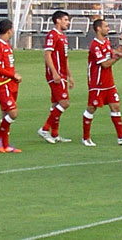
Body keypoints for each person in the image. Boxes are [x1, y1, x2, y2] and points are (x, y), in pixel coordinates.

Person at [81, 19, 122, 147]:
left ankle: (121, 137)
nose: (108, 28)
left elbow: (112, 53)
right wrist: (119, 56)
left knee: (115, 106)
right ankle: (86, 137)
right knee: (91, 108)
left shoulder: (106, 42)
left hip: (108, 82)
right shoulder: (95, 45)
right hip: (97, 83)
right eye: (106, 26)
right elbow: (105, 64)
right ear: (98, 29)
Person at [38, 10, 74, 144]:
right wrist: (54, 72)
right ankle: (44, 129)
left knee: (56, 104)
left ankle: (54, 134)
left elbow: (65, 58)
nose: (67, 22)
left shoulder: (63, 37)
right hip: (56, 74)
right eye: (65, 19)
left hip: (62, 74)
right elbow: (47, 54)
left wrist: (69, 75)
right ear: (58, 20)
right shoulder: (52, 35)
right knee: (64, 103)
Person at [0, 19, 22, 153]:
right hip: (1, 83)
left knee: (6, 115)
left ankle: (5, 144)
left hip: (9, 83)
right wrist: (13, 74)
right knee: (13, 113)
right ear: (9, 30)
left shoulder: (6, 46)